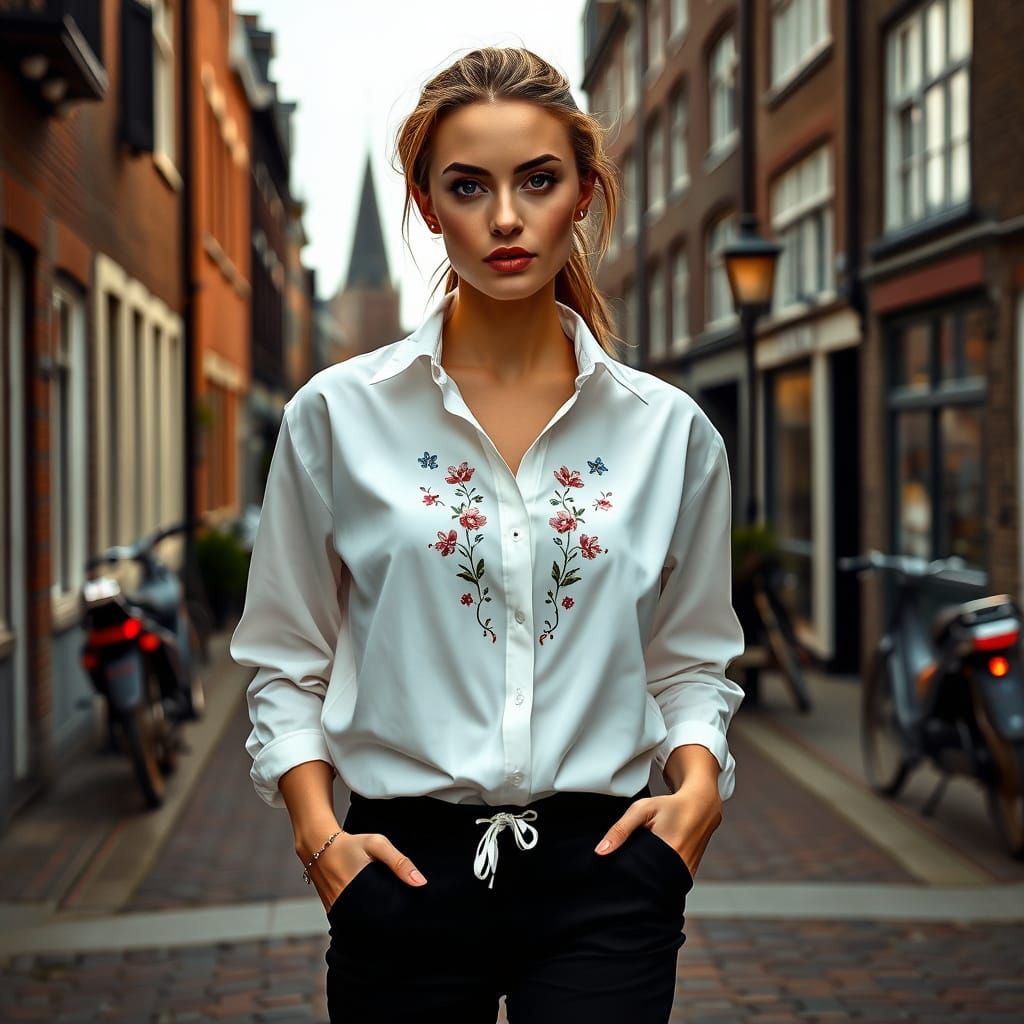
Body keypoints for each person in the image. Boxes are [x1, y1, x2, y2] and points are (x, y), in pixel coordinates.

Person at [229, 45, 746, 1024]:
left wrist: (696, 796)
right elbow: (287, 655)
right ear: (427, 204)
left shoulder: (669, 431)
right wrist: (319, 839)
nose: (504, 218)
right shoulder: (336, 417)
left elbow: (689, 656)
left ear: (584, 193)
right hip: (398, 874)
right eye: (468, 186)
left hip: (609, 876)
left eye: (537, 181)